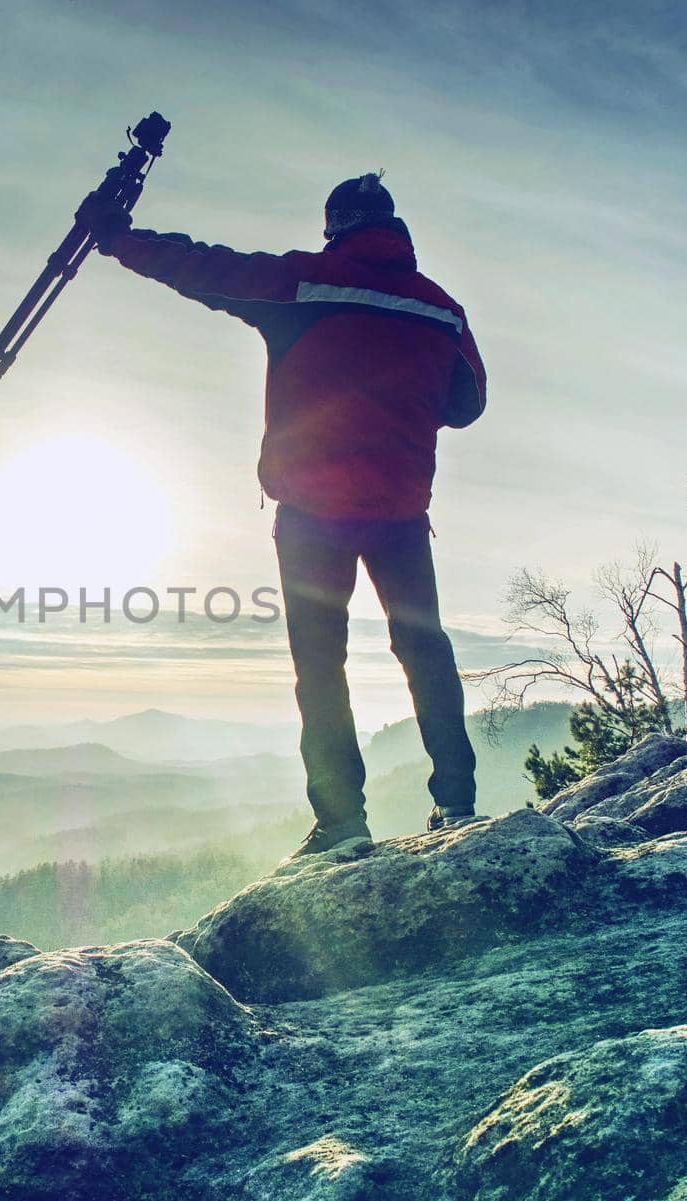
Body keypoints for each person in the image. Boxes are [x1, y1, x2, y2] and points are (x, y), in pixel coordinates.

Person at [86, 172, 486, 855]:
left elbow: (203, 267)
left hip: (313, 514)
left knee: (321, 663)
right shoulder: (441, 310)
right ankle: (457, 803)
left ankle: (342, 822)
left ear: (335, 227)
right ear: (394, 227)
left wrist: (117, 238)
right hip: (400, 511)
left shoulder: (305, 285)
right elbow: (466, 403)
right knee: (425, 648)